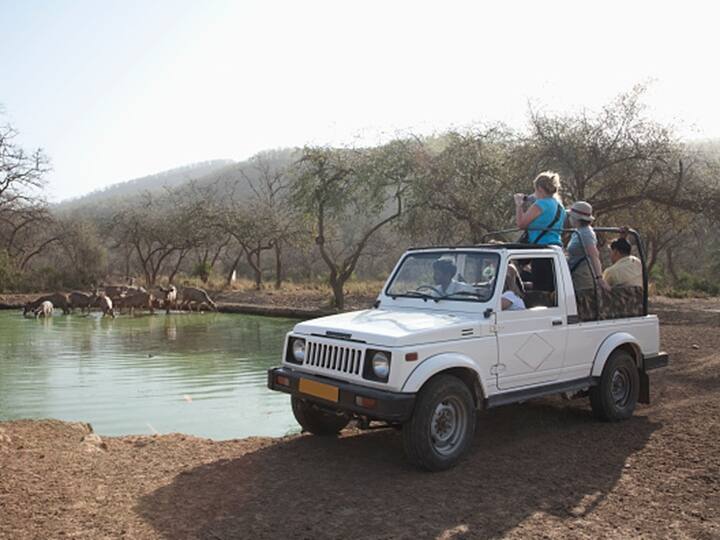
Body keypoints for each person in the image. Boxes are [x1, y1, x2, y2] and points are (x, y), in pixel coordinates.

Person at [514, 171, 566, 291]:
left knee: (541, 289)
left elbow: (521, 224)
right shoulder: (559, 206)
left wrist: (519, 205)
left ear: (539, 189)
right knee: (552, 288)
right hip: (555, 249)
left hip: (540, 251)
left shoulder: (540, 204)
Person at [566, 201, 610, 291]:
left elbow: (594, 255)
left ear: (576, 218)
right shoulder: (578, 231)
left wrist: (599, 278)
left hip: (582, 278)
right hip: (576, 275)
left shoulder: (586, 233)